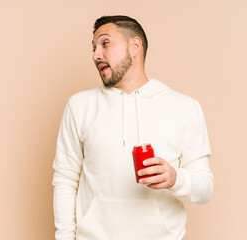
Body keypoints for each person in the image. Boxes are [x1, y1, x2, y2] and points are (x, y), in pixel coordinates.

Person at [52, 15, 214, 240]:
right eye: (93, 48)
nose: (95, 55)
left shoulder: (184, 107)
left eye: (105, 43)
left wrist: (176, 178)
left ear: (134, 46)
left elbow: (205, 188)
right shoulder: (79, 106)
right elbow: (65, 180)